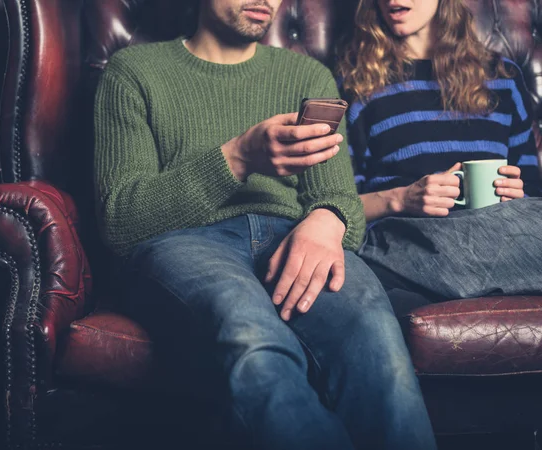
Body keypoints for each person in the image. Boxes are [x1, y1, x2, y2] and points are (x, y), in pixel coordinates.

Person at [94, 1, 436, 449]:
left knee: (374, 338)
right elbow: (121, 221)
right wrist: (237, 158)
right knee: (250, 332)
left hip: (293, 233)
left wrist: (327, 219)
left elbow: (338, 199)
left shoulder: (307, 76)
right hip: (186, 241)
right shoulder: (133, 70)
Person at [339, 0, 542, 311]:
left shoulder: (503, 77)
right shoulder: (357, 83)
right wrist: (403, 198)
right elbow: (336, 205)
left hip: (498, 234)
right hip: (410, 241)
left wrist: (518, 192)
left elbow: (532, 194)